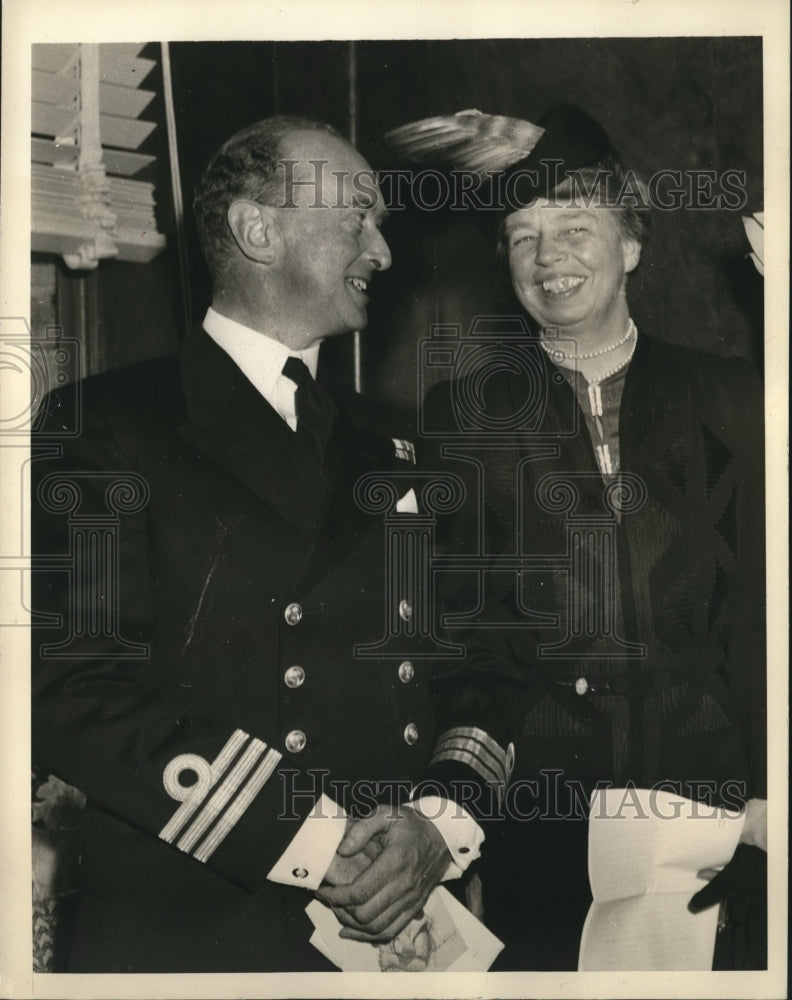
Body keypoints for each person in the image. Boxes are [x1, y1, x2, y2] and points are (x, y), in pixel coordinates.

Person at [31, 116, 502, 972]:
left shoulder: (395, 442)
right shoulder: (106, 426)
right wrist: (316, 838)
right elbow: (74, 688)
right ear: (258, 229)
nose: (384, 252)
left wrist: (439, 821)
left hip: (396, 930)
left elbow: (473, 664)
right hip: (201, 933)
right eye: (358, 215)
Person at [419, 104, 767, 970]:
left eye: (575, 227)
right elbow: (469, 638)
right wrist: (453, 809)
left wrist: (769, 798)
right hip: (549, 830)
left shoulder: (736, 397)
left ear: (633, 245)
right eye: (521, 237)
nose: (548, 259)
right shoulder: (464, 421)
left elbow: (768, 614)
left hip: (730, 818)